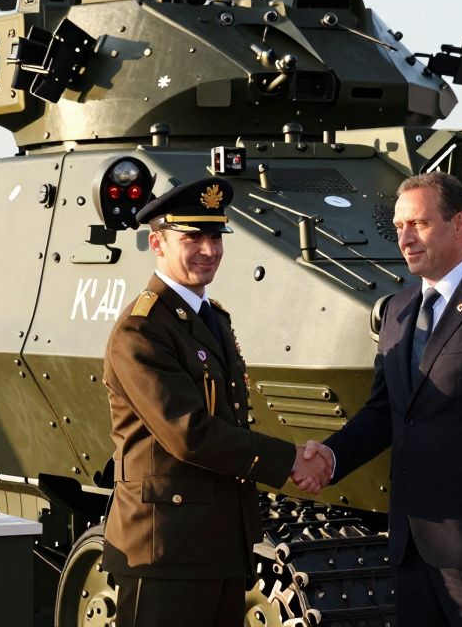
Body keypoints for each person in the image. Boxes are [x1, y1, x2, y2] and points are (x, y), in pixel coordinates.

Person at [302, 172, 462, 627]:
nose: (405, 238)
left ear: (459, 223)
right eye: (398, 226)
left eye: (418, 224)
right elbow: (386, 411)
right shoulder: (399, 309)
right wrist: (332, 455)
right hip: (414, 542)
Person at [101, 178, 329, 627]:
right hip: (165, 552)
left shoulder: (212, 319)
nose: (208, 250)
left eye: (215, 237)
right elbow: (189, 433)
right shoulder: (142, 330)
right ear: (157, 243)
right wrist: (290, 461)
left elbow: (231, 420)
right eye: (192, 238)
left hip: (215, 546)